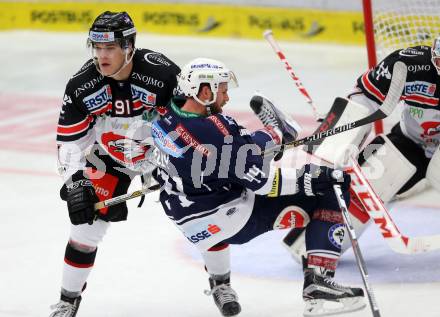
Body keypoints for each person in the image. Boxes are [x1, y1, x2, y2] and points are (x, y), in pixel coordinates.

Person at [150, 57, 366, 316]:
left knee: (236, 162)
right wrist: (309, 177)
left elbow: (152, 162)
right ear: (204, 91)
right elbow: (264, 184)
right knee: (332, 185)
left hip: (189, 223)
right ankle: (318, 284)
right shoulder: (217, 131)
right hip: (232, 219)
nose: (227, 97)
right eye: (222, 90)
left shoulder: (164, 117)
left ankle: (220, 283)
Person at [50, 11, 180, 316]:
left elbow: (189, 121)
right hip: (111, 157)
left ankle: (219, 280)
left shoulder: (163, 76)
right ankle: (68, 301)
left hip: (162, 152)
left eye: (109, 48)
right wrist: (76, 183)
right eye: (96, 47)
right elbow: (71, 142)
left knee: (204, 203)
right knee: (85, 227)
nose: (101, 55)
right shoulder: (82, 85)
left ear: (129, 47)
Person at [283, 36, 440, 260]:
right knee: (308, 250)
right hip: (409, 143)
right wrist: (346, 134)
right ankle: (317, 249)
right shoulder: (408, 65)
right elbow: (364, 96)